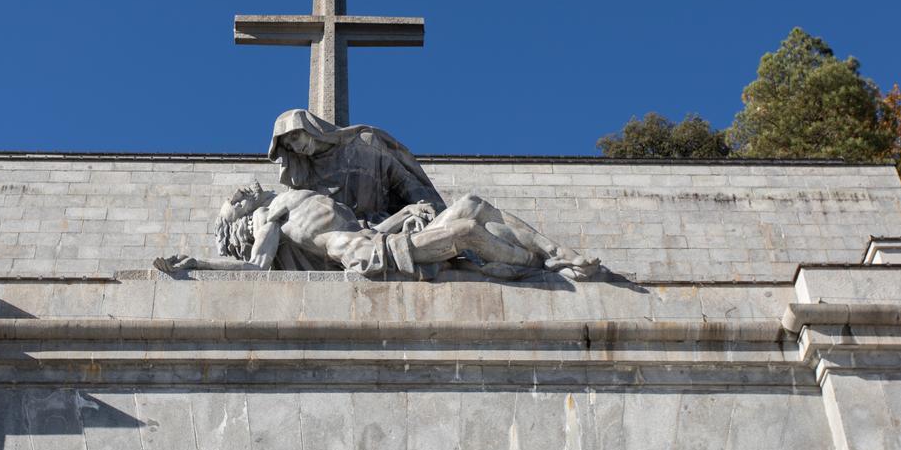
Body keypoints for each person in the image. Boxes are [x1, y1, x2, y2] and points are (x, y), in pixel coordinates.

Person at [154, 182, 600, 280]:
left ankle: (556, 254)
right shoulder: (268, 219)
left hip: (382, 240)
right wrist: (198, 264)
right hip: (375, 259)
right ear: (237, 218)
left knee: (473, 205)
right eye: (235, 198)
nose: (241, 190)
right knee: (464, 228)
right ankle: (535, 268)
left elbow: (361, 227)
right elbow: (256, 266)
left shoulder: (293, 199)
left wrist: (404, 213)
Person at [268, 109, 445, 226]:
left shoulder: (364, 143)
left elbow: (404, 181)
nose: (296, 148)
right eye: (290, 147)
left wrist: (430, 210)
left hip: (382, 225)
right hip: (336, 236)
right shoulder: (304, 175)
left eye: (295, 136)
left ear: (308, 127)